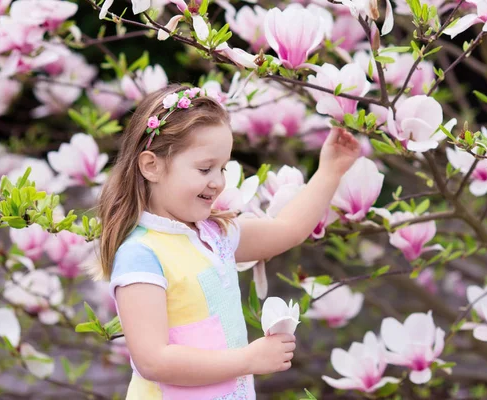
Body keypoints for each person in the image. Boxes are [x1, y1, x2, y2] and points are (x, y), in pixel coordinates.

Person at [94, 84, 360, 399]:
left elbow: (288, 229)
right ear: (152, 166)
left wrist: (330, 169)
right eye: (205, 168)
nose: (219, 181)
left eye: (222, 168)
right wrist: (247, 359)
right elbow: (153, 360)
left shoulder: (211, 235)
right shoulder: (142, 254)